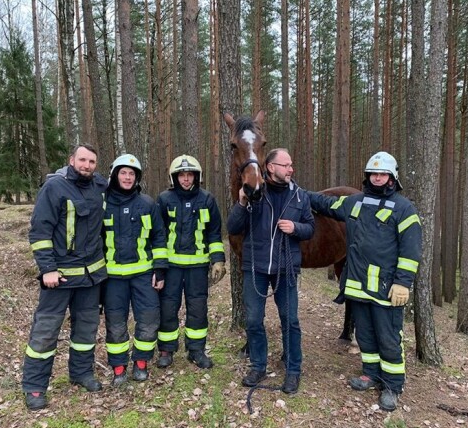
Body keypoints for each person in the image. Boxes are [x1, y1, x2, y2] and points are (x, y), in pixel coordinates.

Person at [307, 151, 421, 411]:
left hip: (386, 290)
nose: (378, 178)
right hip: (358, 286)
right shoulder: (355, 202)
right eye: (373, 174)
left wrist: (403, 282)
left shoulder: (404, 209)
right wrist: (295, 190)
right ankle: (370, 373)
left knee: (389, 339)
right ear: (367, 177)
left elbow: (411, 250)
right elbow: (326, 204)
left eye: (382, 174)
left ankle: (392, 385)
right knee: (366, 337)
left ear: (392, 178)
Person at [23, 144, 108, 411]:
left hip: (90, 278)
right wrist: (47, 268)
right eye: (82, 160)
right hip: (58, 278)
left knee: (86, 330)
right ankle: (35, 386)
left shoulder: (99, 188)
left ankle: (81, 373)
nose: (87, 165)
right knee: (46, 331)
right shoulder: (54, 187)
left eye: (92, 161)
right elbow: (39, 231)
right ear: (71, 160)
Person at [226, 148, 315, 394]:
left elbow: (310, 228)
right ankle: (258, 365)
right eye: (286, 165)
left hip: (285, 268)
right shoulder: (254, 194)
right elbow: (232, 227)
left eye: (291, 165)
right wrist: (242, 203)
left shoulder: (299, 196)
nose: (291, 169)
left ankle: (293, 370)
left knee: (291, 320)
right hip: (256, 267)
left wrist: (295, 227)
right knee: (254, 320)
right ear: (271, 167)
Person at [102, 154, 168, 386]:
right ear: (115, 175)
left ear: (137, 177)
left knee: (149, 319)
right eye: (123, 173)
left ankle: (141, 363)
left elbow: (159, 238)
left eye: (132, 174)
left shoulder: (148, 204)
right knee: (116, 323)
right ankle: (118, 367)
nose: (128, 177)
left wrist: (160, 270)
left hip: (143, 276)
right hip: (112, 278)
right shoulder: (102, 203)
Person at [155, 155, 226, 370]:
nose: (186, 179)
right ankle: (166, 350)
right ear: (174, 177)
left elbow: (214, 233)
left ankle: (196, 350)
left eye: (190, 175)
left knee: (198, 309)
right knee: (168, 308)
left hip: (197, 268)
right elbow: (158, 235)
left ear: (197, 176)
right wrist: (158, 267)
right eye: (182, 175)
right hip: (172, 268)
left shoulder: (207, 199)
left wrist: (218, 260)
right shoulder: (164, 200)